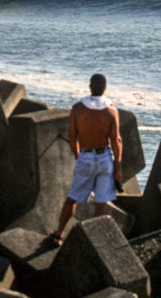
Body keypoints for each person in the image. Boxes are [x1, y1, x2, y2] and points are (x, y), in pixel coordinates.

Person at [49, 73, 123, 245]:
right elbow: (117, 140)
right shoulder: (111, 110)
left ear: (90, 87)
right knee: (101, 202)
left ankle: (59, 234)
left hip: (86, 155)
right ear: (105, 88)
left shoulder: (77, 109)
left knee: (73, 197)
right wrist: (118, 167)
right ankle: (95, 241)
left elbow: (72, 136)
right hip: (105, 156)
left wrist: (78, 156)